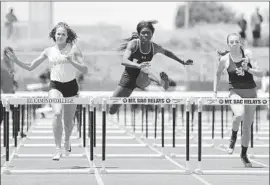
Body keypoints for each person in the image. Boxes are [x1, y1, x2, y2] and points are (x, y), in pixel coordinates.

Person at [6, 22, 88, 161]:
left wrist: (72, 61)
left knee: (68, 123)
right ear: (54, 35)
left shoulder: (74, 49)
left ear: (67, 36)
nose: (60, 36)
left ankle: (67, 140)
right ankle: (57, 149)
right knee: (57, 113)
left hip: (71, 87)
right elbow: (31, 67)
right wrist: (16, 60)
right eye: (58, 33)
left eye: (63, 34)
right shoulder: (48, 51)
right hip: (55, 86)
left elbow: (84, 69)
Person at [109, 20, 193, 115]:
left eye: (148, 33)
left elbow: (168, 53)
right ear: (139, 34)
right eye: (143, 33)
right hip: (128, 79)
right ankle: (160, 81)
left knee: (146, 69)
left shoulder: (154, 47)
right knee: (112, 110)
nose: (145, 36)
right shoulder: (133, 44)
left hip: (143, 79)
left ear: (152, 34)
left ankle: (162, 82)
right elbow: (124, 60)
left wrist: (182, 62)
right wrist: (137, 65)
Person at [214, 33, 263, 167]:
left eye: (237, 41)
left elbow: (261, 73)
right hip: (235, 92)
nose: (234, 44)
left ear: (240, 43)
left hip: (251, 92)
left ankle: (243, 155)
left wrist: (248, 69)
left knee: (247, 127)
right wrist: (215, 92)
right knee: (239, 115)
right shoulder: (225, 59)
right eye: (232, 42)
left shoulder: (248, 55)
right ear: (228, 44)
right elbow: (217, 75)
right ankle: (233, 137)